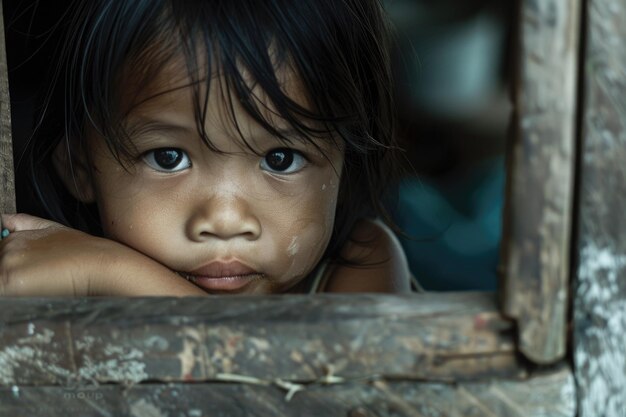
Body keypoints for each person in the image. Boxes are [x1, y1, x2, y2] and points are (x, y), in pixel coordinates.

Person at [0, 0, 411, 296]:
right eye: (168, 157)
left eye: (280, 158)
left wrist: (113, 274)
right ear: (80, 167)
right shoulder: (57, 273)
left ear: (345, 163)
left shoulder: (365, 262)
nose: (225, 220)